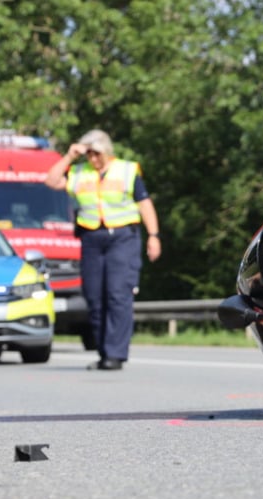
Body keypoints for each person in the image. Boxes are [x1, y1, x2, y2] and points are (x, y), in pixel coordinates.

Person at [45, 129, 161, 370]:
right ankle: (103, 352)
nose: (93, 158)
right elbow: (51, 181)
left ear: (106, 151)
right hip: (91, 239)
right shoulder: (79, 172)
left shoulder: (126, 170)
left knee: (118, 294)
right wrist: (69, 156)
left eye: (96, 153)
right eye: (88, 154)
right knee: (94, 296)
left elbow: (145, 204)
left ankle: (115, 355)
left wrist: (153, 236)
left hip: (122, 238)